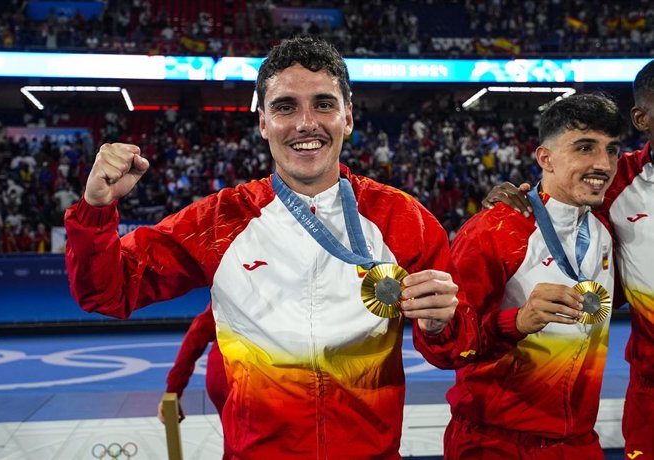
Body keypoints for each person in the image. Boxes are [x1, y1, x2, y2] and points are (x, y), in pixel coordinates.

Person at [64, 36, 478, 459]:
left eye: (323, 104)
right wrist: (96, 209)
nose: (305, 123)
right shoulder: (217, 223)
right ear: (262, 122)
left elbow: (455, 351)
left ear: (347, 117)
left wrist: (441, 324)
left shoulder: (404, 220)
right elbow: (107, 292)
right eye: (285, 107)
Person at [483, 61, 654, 459]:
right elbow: (561, 192)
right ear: (642, 117)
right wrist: (510, 201)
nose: (601, 161)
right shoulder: (616, 182)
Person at [445, 93, 626, 459]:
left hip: (578, 442)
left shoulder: (608, 228)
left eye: (612, 150)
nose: (603, 164)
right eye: (585, 148)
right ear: (545, 158)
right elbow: (447, 345)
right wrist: (516, 322)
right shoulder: (494, 230)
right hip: (495, 443)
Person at [157, 302, 228, 422]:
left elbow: (197, 333)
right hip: (250, 376)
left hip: (222, 376)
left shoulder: (229, 293)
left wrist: (173, 390)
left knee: (235, 435)